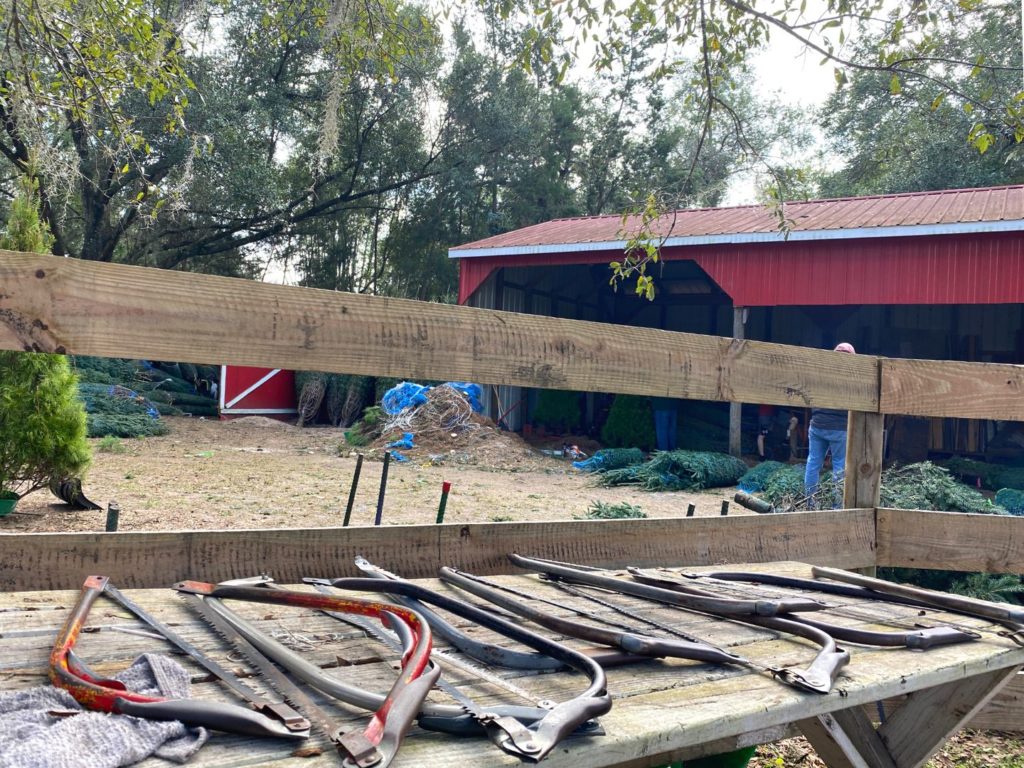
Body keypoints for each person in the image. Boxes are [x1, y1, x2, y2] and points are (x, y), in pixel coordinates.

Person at [804, 342, 856, 507]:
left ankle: (809, 504)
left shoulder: (821, 372)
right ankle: (836, 507)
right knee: (839, 466)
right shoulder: (853, 376)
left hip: (817, 424)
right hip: (839, 428)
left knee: (813, 463)